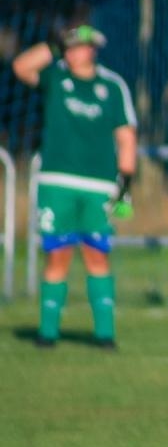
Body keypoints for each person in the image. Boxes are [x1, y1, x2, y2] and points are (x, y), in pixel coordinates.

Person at [12, 23, 137, 349]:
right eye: (71, 46)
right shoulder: (55, 77)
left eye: (82, 46)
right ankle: (48, 333)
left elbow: (126, 137)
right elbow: (22, 67)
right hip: (57, 181)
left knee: (97, 255)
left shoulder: (112, 86)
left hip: (99, 184)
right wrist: (52, 47)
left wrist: (125, 186)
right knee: (58, 254)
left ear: (94, 49)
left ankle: (105, 335)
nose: (77, 51)